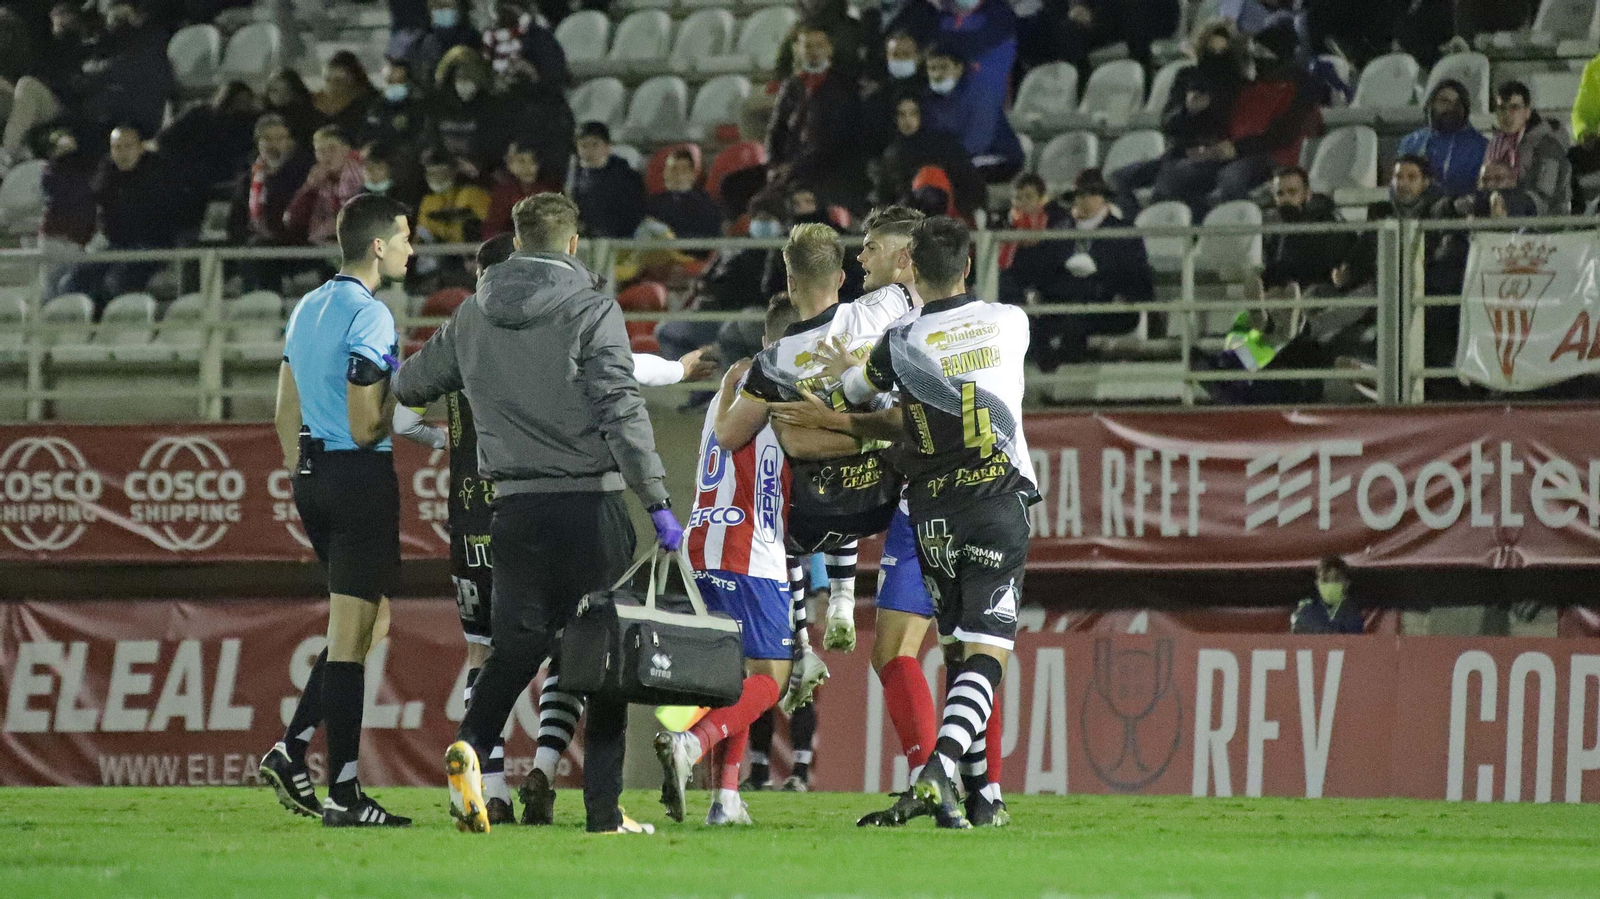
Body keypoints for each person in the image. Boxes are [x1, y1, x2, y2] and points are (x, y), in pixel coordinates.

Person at [391, 232, 710, 826]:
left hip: (505, 510)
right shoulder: (591, 310)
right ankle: (602, 812)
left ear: (517, 242)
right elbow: (621, 405)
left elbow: (407, 389)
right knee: (604, 656)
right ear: (569, 241)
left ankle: (471, 747)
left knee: (508, 649)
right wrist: (658, 501)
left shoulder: (470, 318)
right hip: (591, 505)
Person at [725, 209, 1010, 826]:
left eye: (874, 247)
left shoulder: (893, 320)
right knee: (956, 647)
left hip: (929, 493)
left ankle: (959, 785)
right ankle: (966, 789)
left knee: (940, 649)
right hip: (939, 493)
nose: (863, 259)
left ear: (907, 257)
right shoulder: (973, 319)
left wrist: (835, 405)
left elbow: (888, 411)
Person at [824, 216, 1035, 829]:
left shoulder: (900, 341)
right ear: (968, 265)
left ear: (911, 268)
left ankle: (980, 800)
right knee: (985, 655)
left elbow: (856, 392)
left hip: (932, 512)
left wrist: (846, 370)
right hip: (996, 500)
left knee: (954, 652)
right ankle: (942, 771)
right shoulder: (1010, 321)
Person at [258, 193, 416, 828]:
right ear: (378, 247)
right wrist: (408, 414)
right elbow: (362, 425)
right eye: (405, 237)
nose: (412, 249)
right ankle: (344, 794)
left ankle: (292, 748)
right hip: (358, 479)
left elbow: (282, 413)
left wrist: (306, 475)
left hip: (310, 476)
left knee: (369, 624)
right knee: (352, 639)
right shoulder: (371, 316)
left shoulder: (307, 306)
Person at [653, 295, 821, 827]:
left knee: (738, 678)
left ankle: (726, 799)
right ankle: (690, 743)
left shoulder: (736, 378)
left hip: (705, 538)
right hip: (748, 546)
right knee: (772, 677)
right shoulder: (778, 380)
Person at [1151, 22, 1315, 214]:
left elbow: (1282, 133)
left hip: (1273, 155)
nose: (1259, 59)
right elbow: (1229, 127)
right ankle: (1196, 231)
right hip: (1232, 151)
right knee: (1175, 175)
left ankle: (1249, 229)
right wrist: (1208, 145)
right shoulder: (1249, 86)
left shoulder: (1299, 85)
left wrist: (1236, 148)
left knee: (1231, 177)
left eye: (1264, 53)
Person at [1005, 169, 1152, 371]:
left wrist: (1111, 283)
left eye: (1091, 194)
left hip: (1107, 304)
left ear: (1103, 198)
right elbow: (1043, 271)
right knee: (1029, 320)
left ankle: (1063, 375)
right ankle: (1050, 373)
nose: (1084, 200)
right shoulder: (1060, 230)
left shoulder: (1124, 232)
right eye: (1080, 194)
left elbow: (1137, 275)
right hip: (1064, 301)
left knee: (1075, 321)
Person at [1109, 18, 1247, 214]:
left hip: (1213, 157)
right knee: (1119, 178)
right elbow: (1168, 123)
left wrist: (1210, 108)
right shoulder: (1186, 76)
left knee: (1170, 180)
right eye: (1210, 51)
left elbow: (1232, 129)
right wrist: (1188, 110)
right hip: (1178, 152)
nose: (1215, 58)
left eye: (1221, 53)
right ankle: (1135, 223)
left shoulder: (1237, 85)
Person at [63, 122, 175, 310]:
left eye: (128, 146)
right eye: (116, 147)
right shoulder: (106, 173)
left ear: (140, 148)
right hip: (115, 245)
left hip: (151, 246)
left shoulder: (160, 175)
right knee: (72, 281)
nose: (122, 153)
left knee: (115, 281)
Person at [766, 23, 867, 209]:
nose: (814, 51)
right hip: (791, 167)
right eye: (808, 46)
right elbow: (776, 129)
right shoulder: (792, 86)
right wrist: (773, 164)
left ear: (829, 49)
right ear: (798, 49)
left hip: (829, 170)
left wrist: (792, 168)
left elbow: (833, 140)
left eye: (819, 46)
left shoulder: (843, 86)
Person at [920, 41, 1025, 183]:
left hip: (996, 159)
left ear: (959, 68)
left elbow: (975, 143)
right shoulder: (926, 101)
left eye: (944, 67)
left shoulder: (979, 97)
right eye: (932, 69)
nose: (937, 74)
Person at [876, 94, 984, 216]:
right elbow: (885, 195)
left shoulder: (941, 146)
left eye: (913, 113)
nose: (908, 120)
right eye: (902, 115)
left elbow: (966, 178)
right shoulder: (892, 154)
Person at [1486, 80, 1569, 216]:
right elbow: (1488, 186)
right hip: (1506, 222)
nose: (1507, 115)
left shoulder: (1548, 146)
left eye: (1514, 108)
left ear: (1527, 112)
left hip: (1546, 227)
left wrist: (1510, 206)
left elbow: (1544, 195)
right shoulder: (1496, 145)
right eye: (1502, 108)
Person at [1397, 79, 1488, 199]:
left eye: (1458, 103)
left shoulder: (1480, 146)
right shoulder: (1410, 142)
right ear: (1431, 104)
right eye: (1444, 101)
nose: (1451, 108)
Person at [1262, 165, 1345, 293]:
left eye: (1292, 192)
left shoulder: (1327, 222)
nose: (1285, 199)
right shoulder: (1276, 228)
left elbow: (1329, 269)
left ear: (1307, 194)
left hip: (1320, 292)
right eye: (1280, 194)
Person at [429, 46, 505, 180]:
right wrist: (450, 163)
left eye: (470, 77)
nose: (465, 83)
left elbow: (495, 148)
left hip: (481, 180)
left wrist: (481, 167)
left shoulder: (491, 108)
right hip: (444, 178)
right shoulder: (436, 107)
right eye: (460, 77)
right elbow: (432, 142)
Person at [284, 125, 365, 247]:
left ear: (346, 150)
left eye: (332, 149)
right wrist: (311, 188)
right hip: (325, 244)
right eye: (321, 151)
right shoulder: (317, 179)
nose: (327, 155)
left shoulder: (362, 174)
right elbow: (292, 220)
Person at [566, 121, 644, 238]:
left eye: (595, 145)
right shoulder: (571, 177)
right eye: (584, 145)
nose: (589, 151)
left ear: (607, 147)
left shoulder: (627, 177)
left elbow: (633, 213)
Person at [485, 139, 562, 238]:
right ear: (509, 164)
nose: (528, 167)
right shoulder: (502, 192)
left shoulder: (549, 190)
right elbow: (492, 228)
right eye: (521, 161)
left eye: (533, 161)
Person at [643, 148, 723, 240]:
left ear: (693, 175)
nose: (678, 174)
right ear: (665, 173)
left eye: (684, 170)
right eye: (673, 169)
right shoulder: (651, 204)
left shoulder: (707, 205)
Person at [1291, 556, 1363, 634]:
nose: (1330, 584)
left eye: (1336, 580)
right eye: (1325, 580)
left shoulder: (1353, 612)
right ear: (1317, 584)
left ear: (1347, 583)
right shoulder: (1306, 609)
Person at [314, 51, 378, 140]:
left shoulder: (371, 104)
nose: (331, 87)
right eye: (327, 80)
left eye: (338, 81)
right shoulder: (315, 104)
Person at [263, 68, 325, 146]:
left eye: (285, 90)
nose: (279, 96)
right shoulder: (264, 116)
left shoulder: (309, 116)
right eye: (274, 90)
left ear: (294, 91)